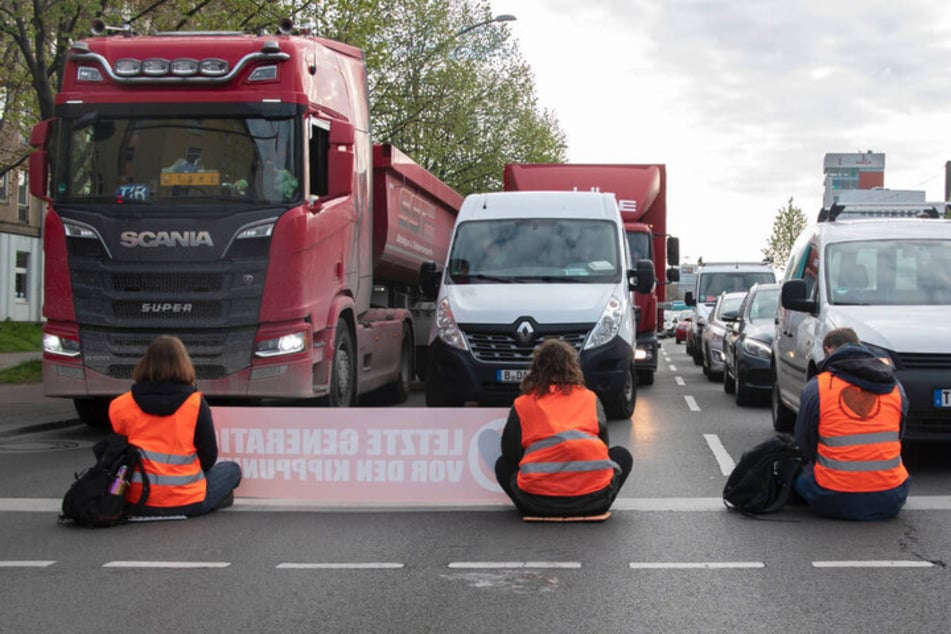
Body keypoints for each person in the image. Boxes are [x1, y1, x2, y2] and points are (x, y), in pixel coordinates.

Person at [494, 339, 633, 517]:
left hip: (535, 502)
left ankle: (536, 498)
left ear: (536, 369)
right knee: (622, 455)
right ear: (573, 367)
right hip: (594, 501)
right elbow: (604, 448)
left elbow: (510, 453)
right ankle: (593, 499)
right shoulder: (589, 398)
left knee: (502, 464)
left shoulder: (523, 404)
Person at [109, 335, 242, 517]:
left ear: (145, 364)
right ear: (184, 365)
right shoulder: (195, 403)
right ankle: (215, 498)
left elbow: (115, 456)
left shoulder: (120, 405)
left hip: (135, 501)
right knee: (232, 470)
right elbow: (209, 457)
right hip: (187, 501)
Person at [793, 327, 910, 520]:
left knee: (798, 476)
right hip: (891, 497)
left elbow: (805, 442)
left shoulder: (818, 387)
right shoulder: (895, 387)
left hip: (832, 498)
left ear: (829, 350)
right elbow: (899, 435)